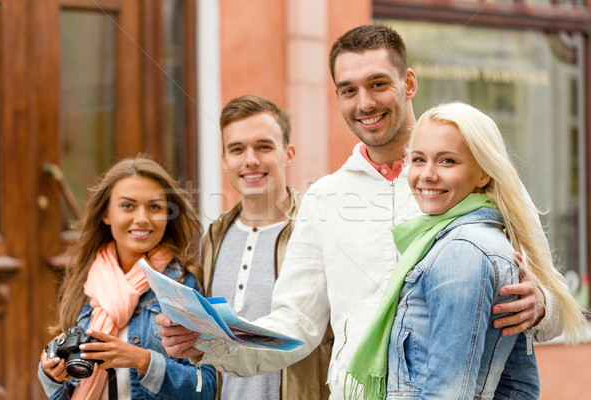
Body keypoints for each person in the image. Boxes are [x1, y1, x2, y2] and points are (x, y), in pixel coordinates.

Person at [156, 24, 565, 399]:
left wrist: (542, 305)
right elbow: (294, 326)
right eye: (349, 89)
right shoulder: (324, 198)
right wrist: (210, 343)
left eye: (377, 84)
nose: (364, 103)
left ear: (408, 83)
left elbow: (558, 307)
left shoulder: (470, 177)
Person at [345, 102, 588, 400]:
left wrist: (542, 303)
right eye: (419, 160)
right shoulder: (451, 230)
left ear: (484, 174)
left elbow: (447, 392)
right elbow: (519, 385)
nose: (428, 175)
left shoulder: (464, 250)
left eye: (447, 161)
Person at [38, 156, 217, 399]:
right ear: (106, 215)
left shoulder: (184, 284)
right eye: (128, 206)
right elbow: (68, 390)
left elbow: (205, 387)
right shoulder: (85, 280)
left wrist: (141, 360)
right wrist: (50, 373)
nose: (142, 218)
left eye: (154, 207)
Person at [201, 94, 332, 399]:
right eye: (237, 149)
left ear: (288, 153)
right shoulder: (213, 237)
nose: (250, 160)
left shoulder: (315, 230)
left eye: (264, 146)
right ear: (225, 161)